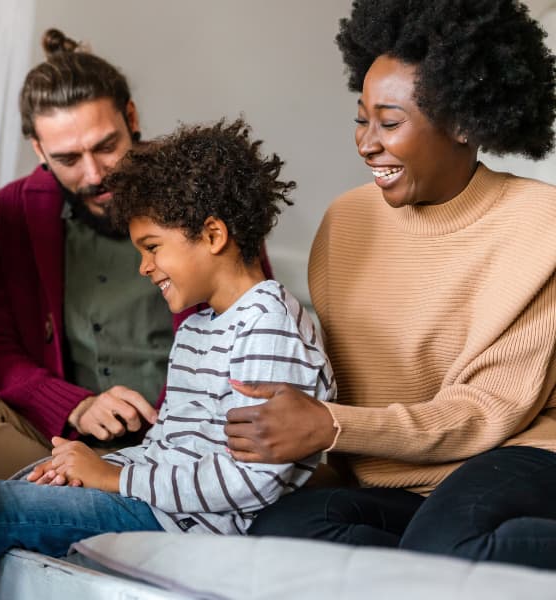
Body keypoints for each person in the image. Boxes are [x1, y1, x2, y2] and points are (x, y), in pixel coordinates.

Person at [0, 118, 336, 599]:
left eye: (152, 248)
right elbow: (167, 449)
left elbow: (252, 484)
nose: (143, 266)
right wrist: (80, 468)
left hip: (190, 528)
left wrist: (114, 476)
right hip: (159, 507)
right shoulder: (199, 327)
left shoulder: (269, 326)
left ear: (213, 235)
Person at [226, 0, 556, 570]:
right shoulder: (346, 222)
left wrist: (330, 426)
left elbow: (485, 413)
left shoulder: (541, 226)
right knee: (280, 530)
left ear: (463, 123)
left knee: (446, 547)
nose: (366, 143)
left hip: (514, 455)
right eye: (361, 118)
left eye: (390, 122)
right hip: (400, 481)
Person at [0, 28, 186, 480]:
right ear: (39, 150)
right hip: (57, 447)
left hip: (179, 446)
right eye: (68, 159)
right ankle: (94, 498)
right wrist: (75, 405)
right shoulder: (14, 210)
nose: (95, 174)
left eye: (106, 147)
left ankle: (101, 498)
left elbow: (247, 324)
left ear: (131, 117)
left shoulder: (196, 195)